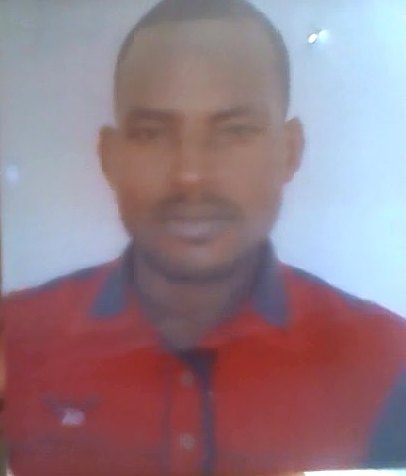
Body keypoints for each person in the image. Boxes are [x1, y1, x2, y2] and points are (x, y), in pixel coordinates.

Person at [3, 0, 406, 474]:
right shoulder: (16, 339)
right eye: (152, 134)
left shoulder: (387, 361)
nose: (190, 176)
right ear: (110, 157)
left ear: (289, 151)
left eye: (234, 132)